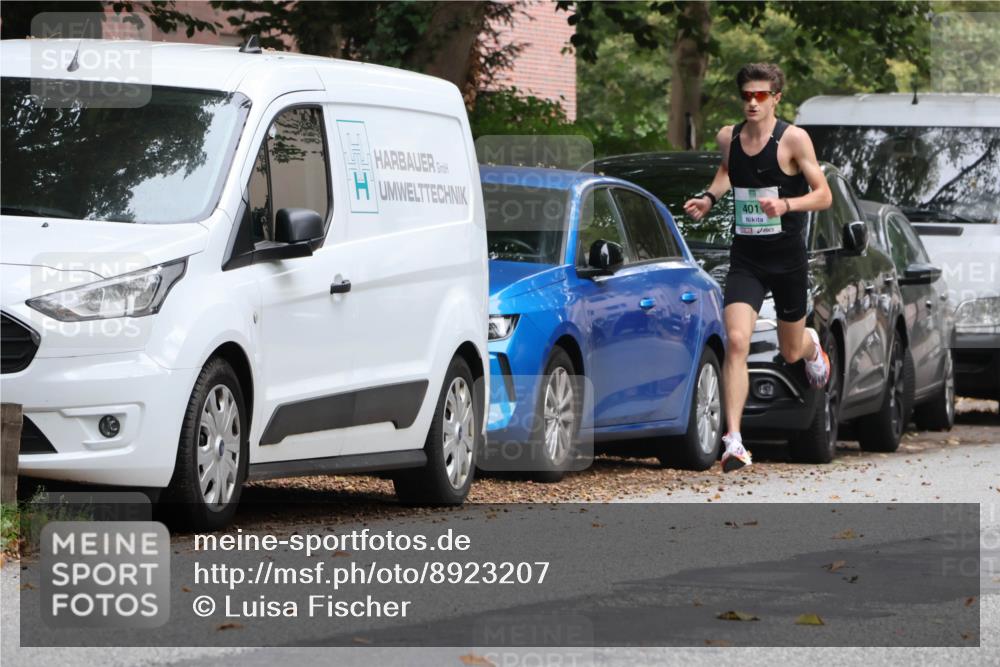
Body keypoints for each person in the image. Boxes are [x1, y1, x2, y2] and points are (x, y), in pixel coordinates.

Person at [683, 63, 833, 473]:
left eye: (761, 95)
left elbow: (823, 195)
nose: (753, 102)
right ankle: (734, 441)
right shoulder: (727, 137)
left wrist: (786, 205)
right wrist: (709, 199)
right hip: (747, 258)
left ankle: (811, 346)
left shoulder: (793, 140)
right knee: (735, 340)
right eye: (747, 95)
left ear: (776, 98)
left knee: (789, 350)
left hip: (788, 261)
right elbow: (728, 172)